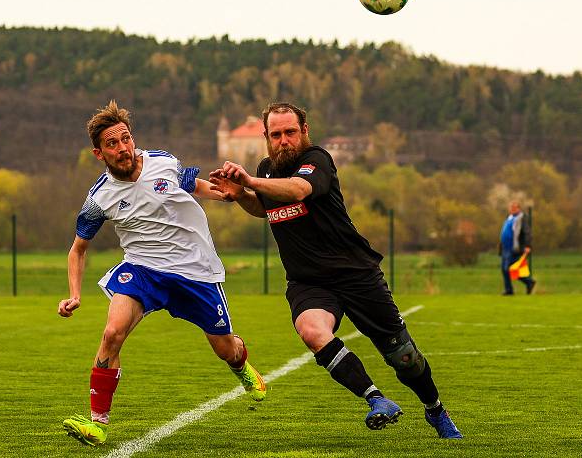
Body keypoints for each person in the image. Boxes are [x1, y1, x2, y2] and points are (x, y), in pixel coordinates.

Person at [209, 102, 462, 439]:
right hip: (308, 282)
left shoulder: (317, 161)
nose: (284, 140)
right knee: (312, 331)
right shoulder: (267, 169)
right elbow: (265, 206)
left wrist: (249, 180)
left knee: (404, 358)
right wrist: (242, 195)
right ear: (266, 137)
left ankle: (435, 410)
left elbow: (298, 191)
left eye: (290, 132)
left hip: (355, 274)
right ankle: (376, 400)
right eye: (276, 134)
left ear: (305, 131)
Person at [57, 100, 266, 447]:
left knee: (225, 348)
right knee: (112, 333)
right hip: (143, 269)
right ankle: (97, 423)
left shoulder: (163, 162)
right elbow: (78, 249)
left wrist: (226, 195)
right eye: (112, 143)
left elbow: (194, 185)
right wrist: (74, 294)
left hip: (193, 268)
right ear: (99, 153)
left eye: (125, 138)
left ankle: (241, 365)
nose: (123, 148)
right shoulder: (99, 198)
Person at [498, 200, 536, 296]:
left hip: (514, 248)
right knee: (504, 269)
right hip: (505, 248)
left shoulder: (521, 218)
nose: (512, 209)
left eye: (514, 208)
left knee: (509, 269)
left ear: (518, 209)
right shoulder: (509, 218)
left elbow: (527, 232)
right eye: (511, 208)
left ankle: (528, 282)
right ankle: (510, 289)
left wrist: (527, 245)